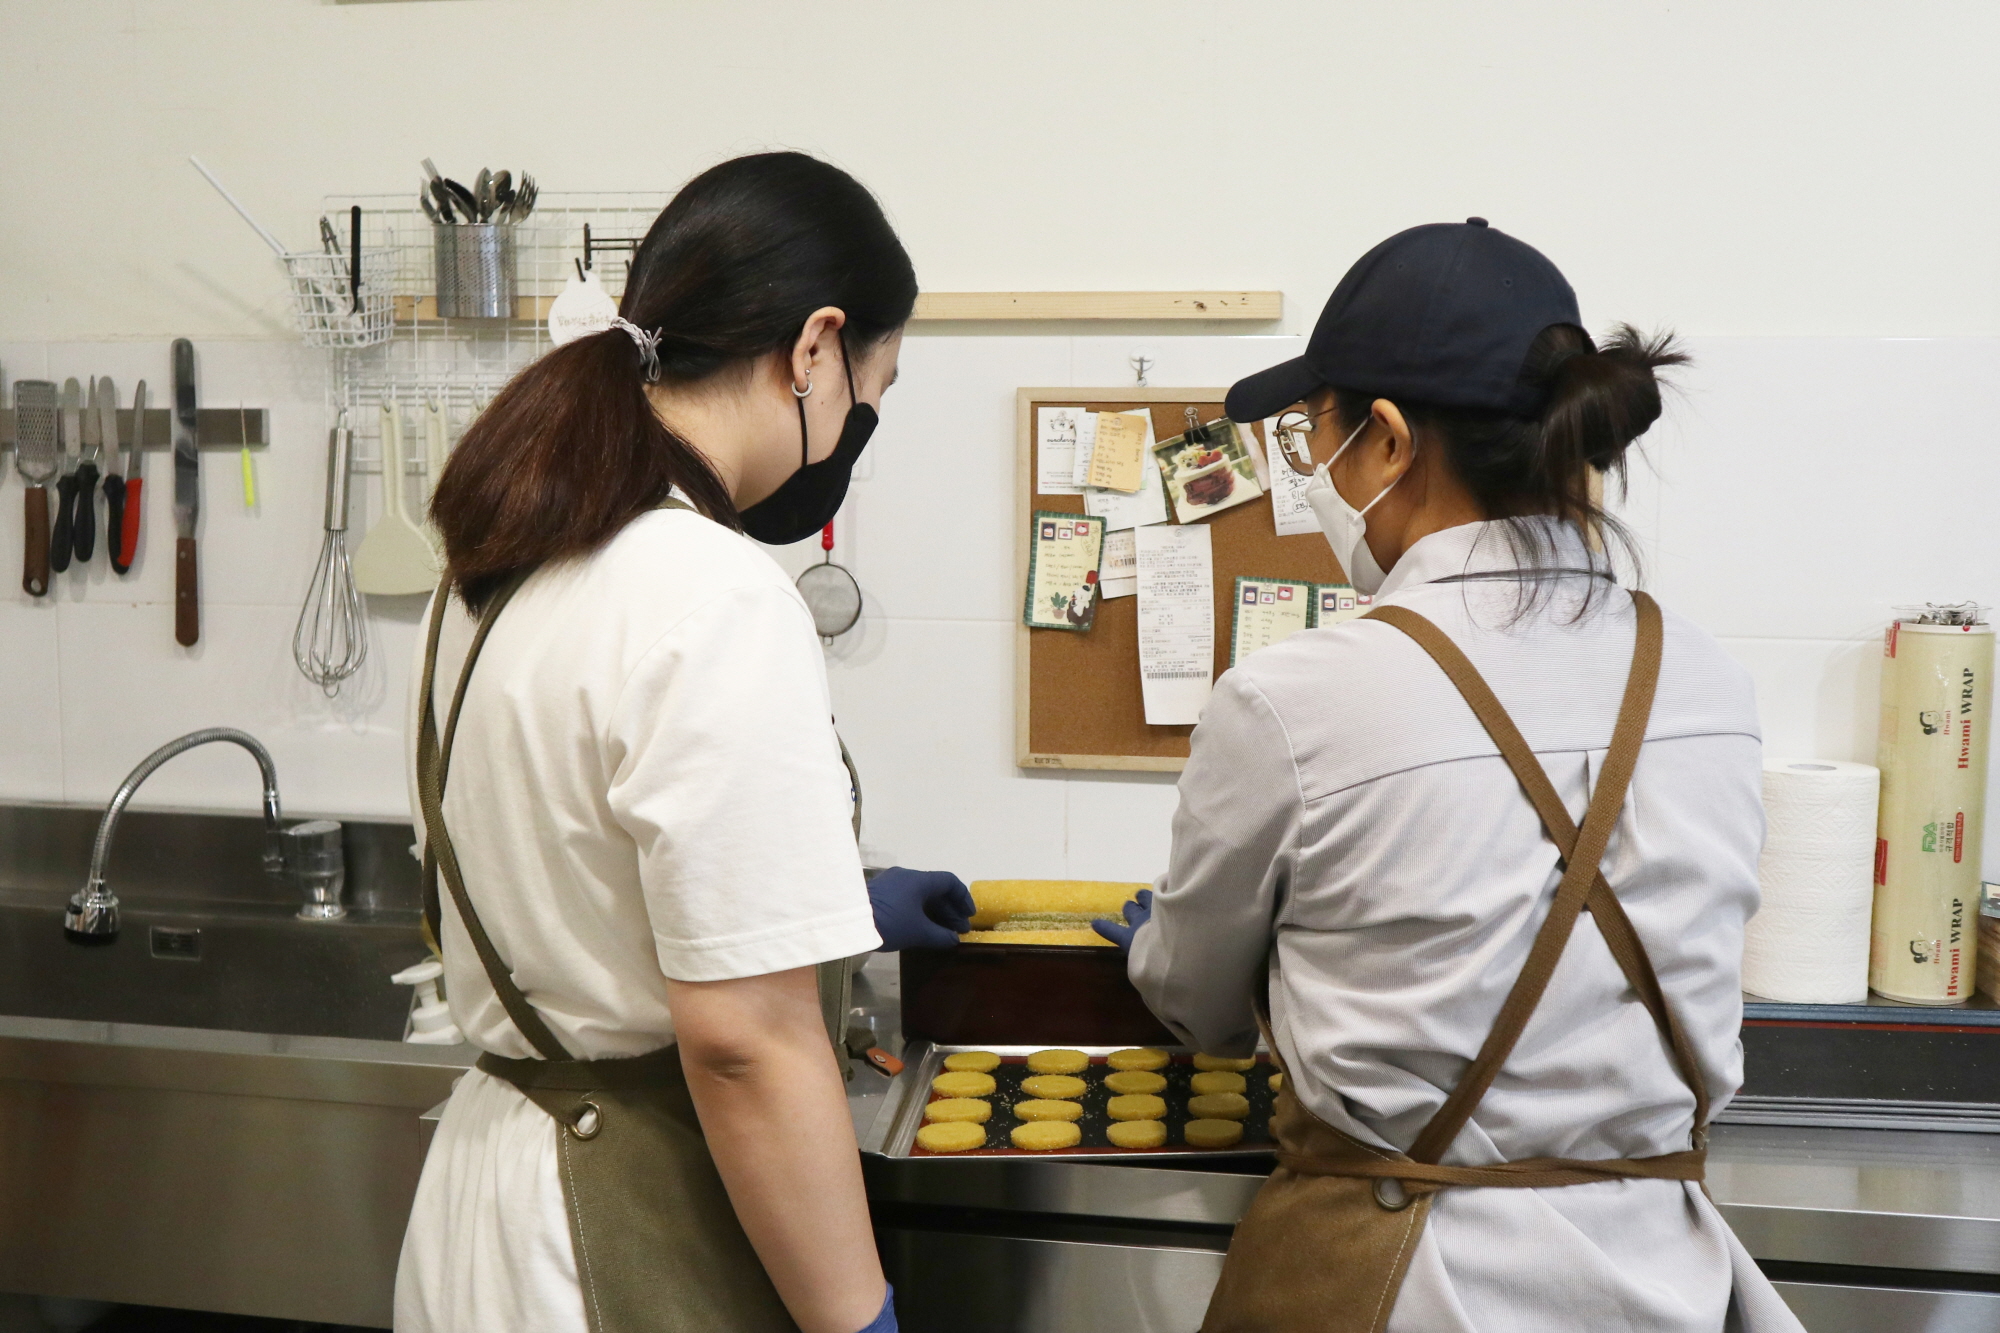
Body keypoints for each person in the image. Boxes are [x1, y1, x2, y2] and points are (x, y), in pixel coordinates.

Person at [1098, 219, 1804, 1332]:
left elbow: (1198, 1006)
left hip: (1396, 1281)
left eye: (1314, 435)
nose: (1316, 471)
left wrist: (1165, 947)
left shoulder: (1294, 698)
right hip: (1662, 1281)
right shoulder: (1709, 680)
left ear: (1385, 441)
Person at [394, 152, 971, 1333]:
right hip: (614, 1229)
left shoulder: (493, 568)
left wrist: (822, 910)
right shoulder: (711, 590)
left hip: (485, 1205)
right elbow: (744, 1045)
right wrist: (857, 1320)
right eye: (872, 390)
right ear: (813, 349)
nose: (858, 427)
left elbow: (576, 863)